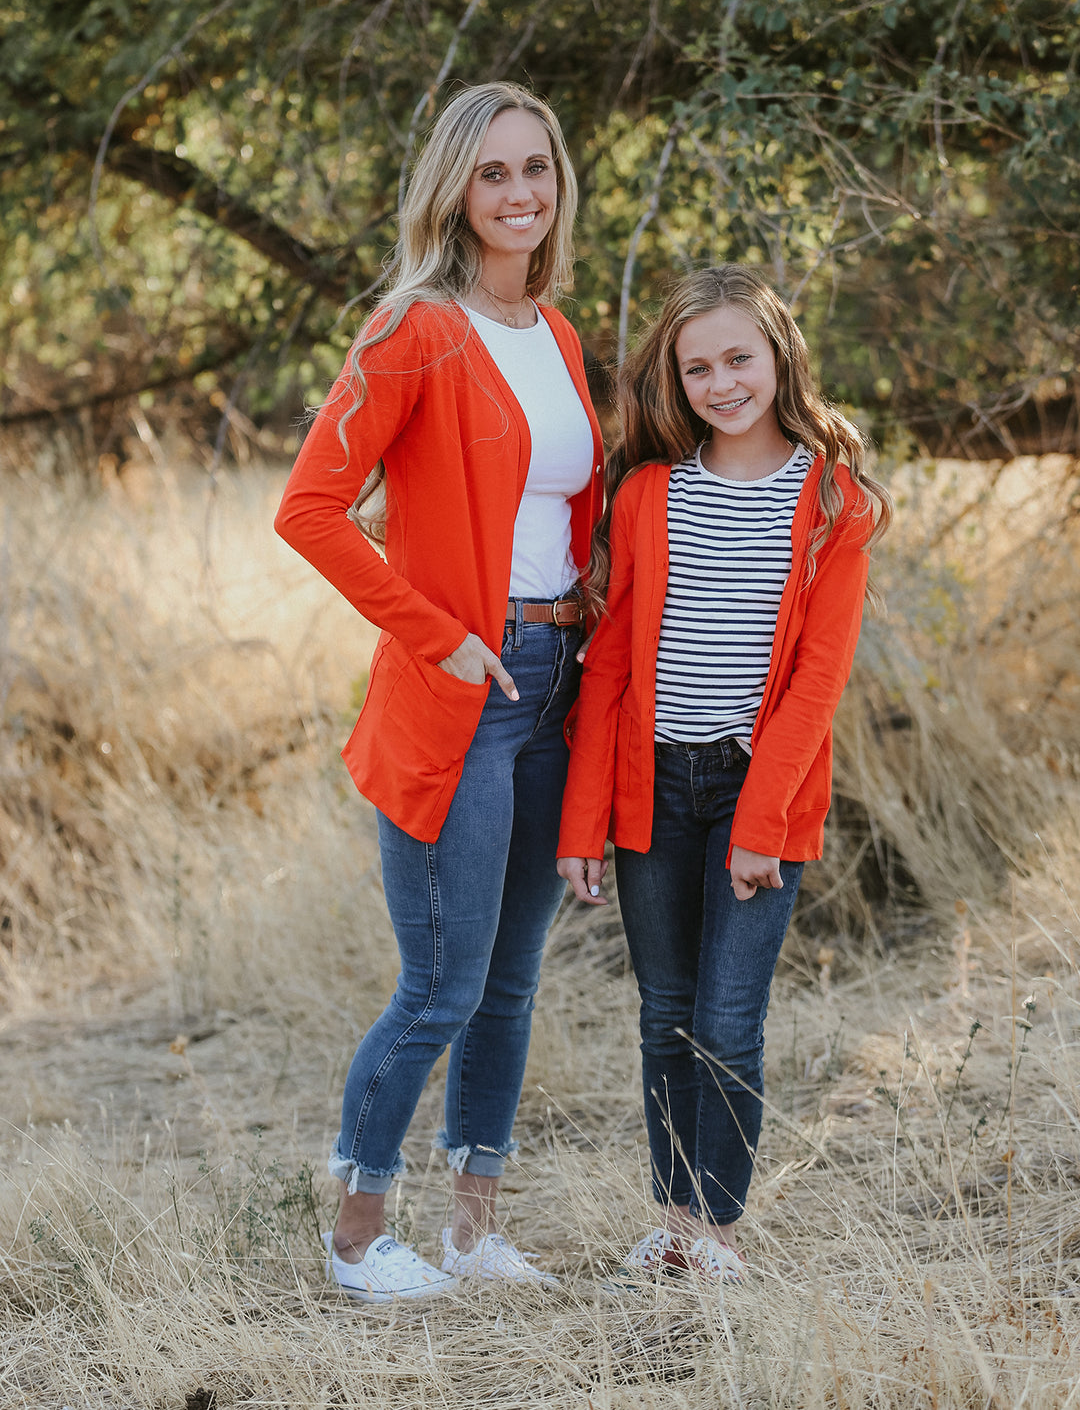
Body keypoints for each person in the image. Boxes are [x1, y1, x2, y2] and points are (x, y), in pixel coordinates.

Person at [275, 82, 603, 1302]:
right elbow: (309, 508)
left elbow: (565, 521)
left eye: (537, 170)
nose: (519, 194)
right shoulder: (413, 329)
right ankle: (357, 1239)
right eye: (493, 174)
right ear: (454, 190)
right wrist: (440, 634)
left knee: (511, 982)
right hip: (458, 692)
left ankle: (472, 1230)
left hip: (553, 688)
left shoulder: (558, 336)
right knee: (441, 986)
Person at [555, 265, 891, 1283]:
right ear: (676, 378)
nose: (721, 381)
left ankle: (716, 1236)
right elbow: (608, 666)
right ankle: (669, 1223)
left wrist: (761, 820)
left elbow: (819, 678)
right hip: (651, 788)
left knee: (727, 1022)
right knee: (665, 1015)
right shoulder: (650, 493)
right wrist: (581, 827)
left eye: (739, 357)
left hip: (759, 796)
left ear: (780, 355)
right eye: (698, 366)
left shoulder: (834, 501)